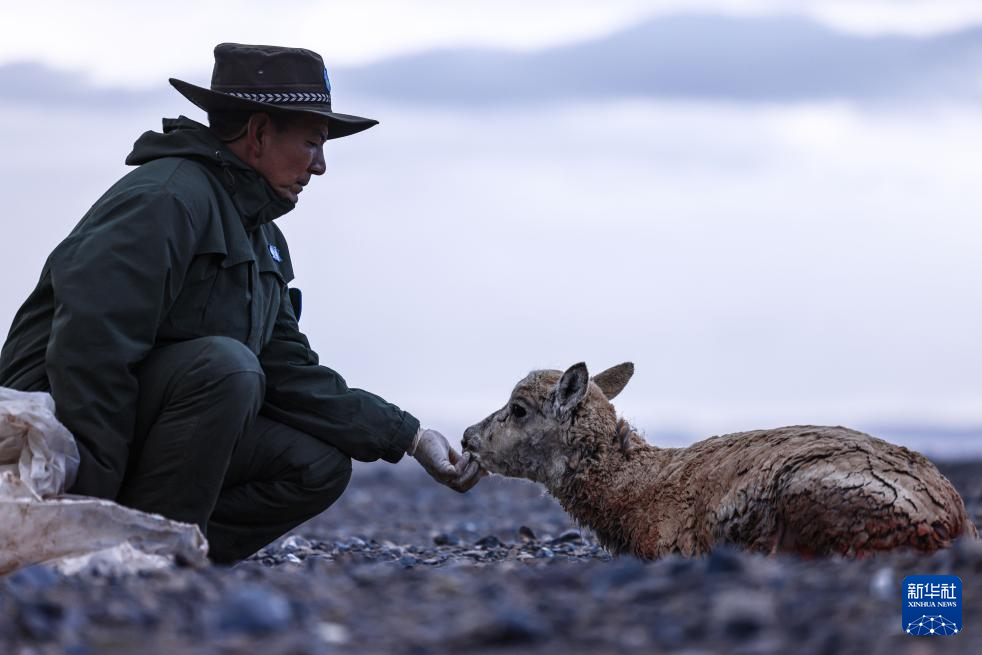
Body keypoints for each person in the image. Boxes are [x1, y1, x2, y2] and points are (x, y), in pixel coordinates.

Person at [0, 43, 483, 563]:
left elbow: (287, 370)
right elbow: (90, 353)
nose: (321, 166)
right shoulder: (166, 200)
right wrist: (84, 505)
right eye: (312, 143)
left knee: (316, 465)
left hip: (139, 424)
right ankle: (124, 554)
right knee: (228, 367)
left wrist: (410, 436)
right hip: (52, 435)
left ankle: (167, 551)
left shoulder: (260, 235)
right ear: (257, 133)